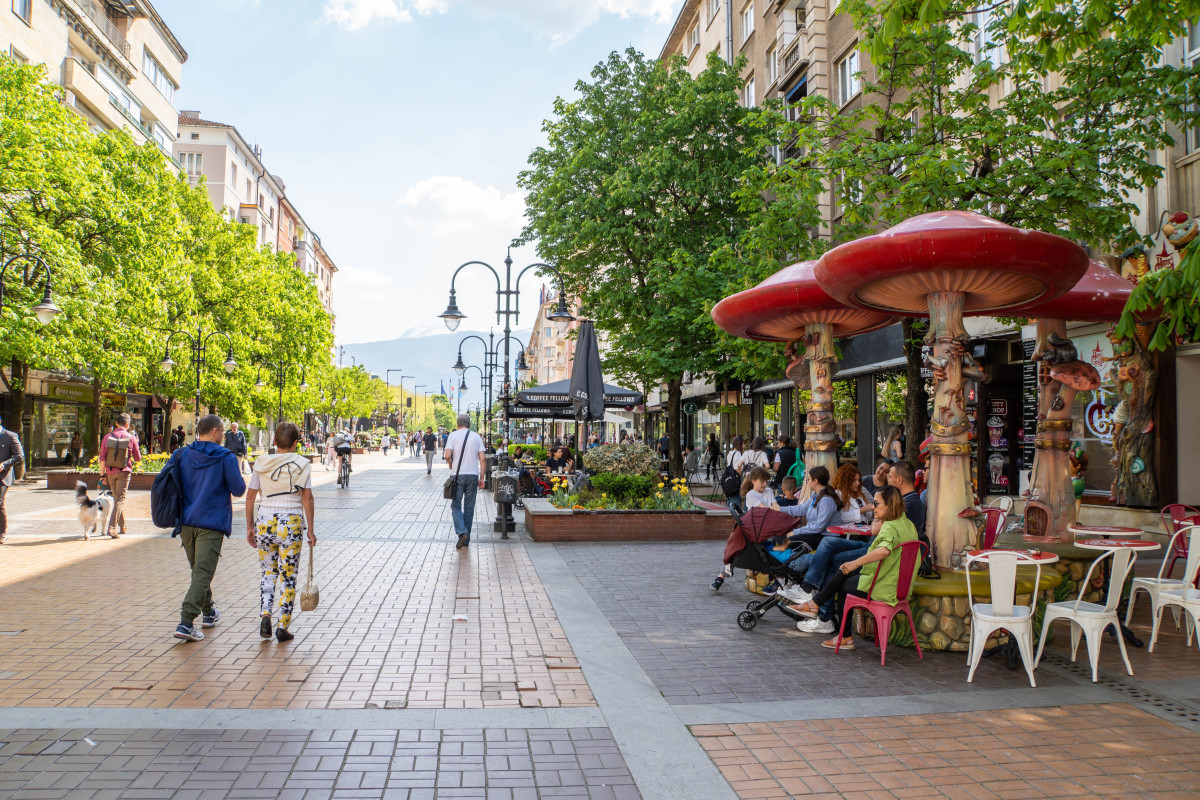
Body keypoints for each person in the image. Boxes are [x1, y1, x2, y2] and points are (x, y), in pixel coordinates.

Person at [790, 485, 919, 650]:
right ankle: (816, 604)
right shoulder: (908, 524)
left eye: (877, 504)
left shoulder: (890, 526)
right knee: (844, 571)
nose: (872, 507)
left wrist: (856, 562)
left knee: (844, 583)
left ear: (889, 505)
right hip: (900, 585)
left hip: (886, 585)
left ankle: (843, 634)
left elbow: (884, 551)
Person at [172, 414, 247, 642]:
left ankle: (209, 612)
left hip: (185, 522)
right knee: (203, 574)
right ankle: (186, 622)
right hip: (211, 523)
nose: (224, 436)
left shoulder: (181, 454)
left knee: (198, 572)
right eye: (222, 432)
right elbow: (238, 490)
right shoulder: (225, 457)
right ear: (215, 431)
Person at [244, 422, 315, 642]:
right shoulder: (303, 464)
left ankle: (265, 614)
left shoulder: (261, 463)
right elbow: (307, 498)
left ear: (274, 442)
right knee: (288, 576)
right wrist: (310, 529)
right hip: (291, 523)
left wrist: (250, 526)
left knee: (268, 572)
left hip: (265, 522)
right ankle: (282, 626)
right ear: (295, 443)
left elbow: (250, 496)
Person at [444, 414, 486, 549]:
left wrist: (451, 464)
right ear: (469, 424)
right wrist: (482, 477)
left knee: (456, 505)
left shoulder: (453, 435)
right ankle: (466, 539)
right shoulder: (476, 437)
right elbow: (483, 459)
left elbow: (447, 455)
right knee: (469, 508)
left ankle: (462, 532)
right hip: (473, 475)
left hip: (457, 476)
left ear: (457, 424)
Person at [98, 413, 142, 538]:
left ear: (116, 423)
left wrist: (102, 476)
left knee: (117, 498)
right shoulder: (131, 437)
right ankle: (112, 528)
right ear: (127, 425)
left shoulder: (107, 437)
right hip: (124, 472)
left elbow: (102, 458)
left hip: (110, 472)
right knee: (120, 500)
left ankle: (122, 526)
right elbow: (138, 458)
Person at [0, 417, 24, 545]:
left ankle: (2, 532)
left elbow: (19, 456)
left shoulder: (10, 436)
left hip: (3, 476)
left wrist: (4, 465)